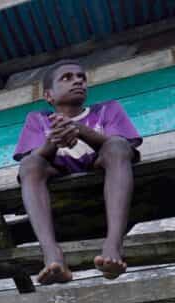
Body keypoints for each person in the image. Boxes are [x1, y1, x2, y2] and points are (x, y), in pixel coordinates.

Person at [13, 60, 142, 284]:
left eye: (81, 77)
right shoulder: (38, 119)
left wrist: (78, 130)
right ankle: (52, 255)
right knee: (29, 165)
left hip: (99, 164)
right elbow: (35, 157)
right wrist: (54, 139)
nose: (78, 81)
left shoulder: (107, 109)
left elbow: (125, 149)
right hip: (57, 170)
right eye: (67, 78)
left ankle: (113, 245)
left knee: (118, 146)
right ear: (49, 96)